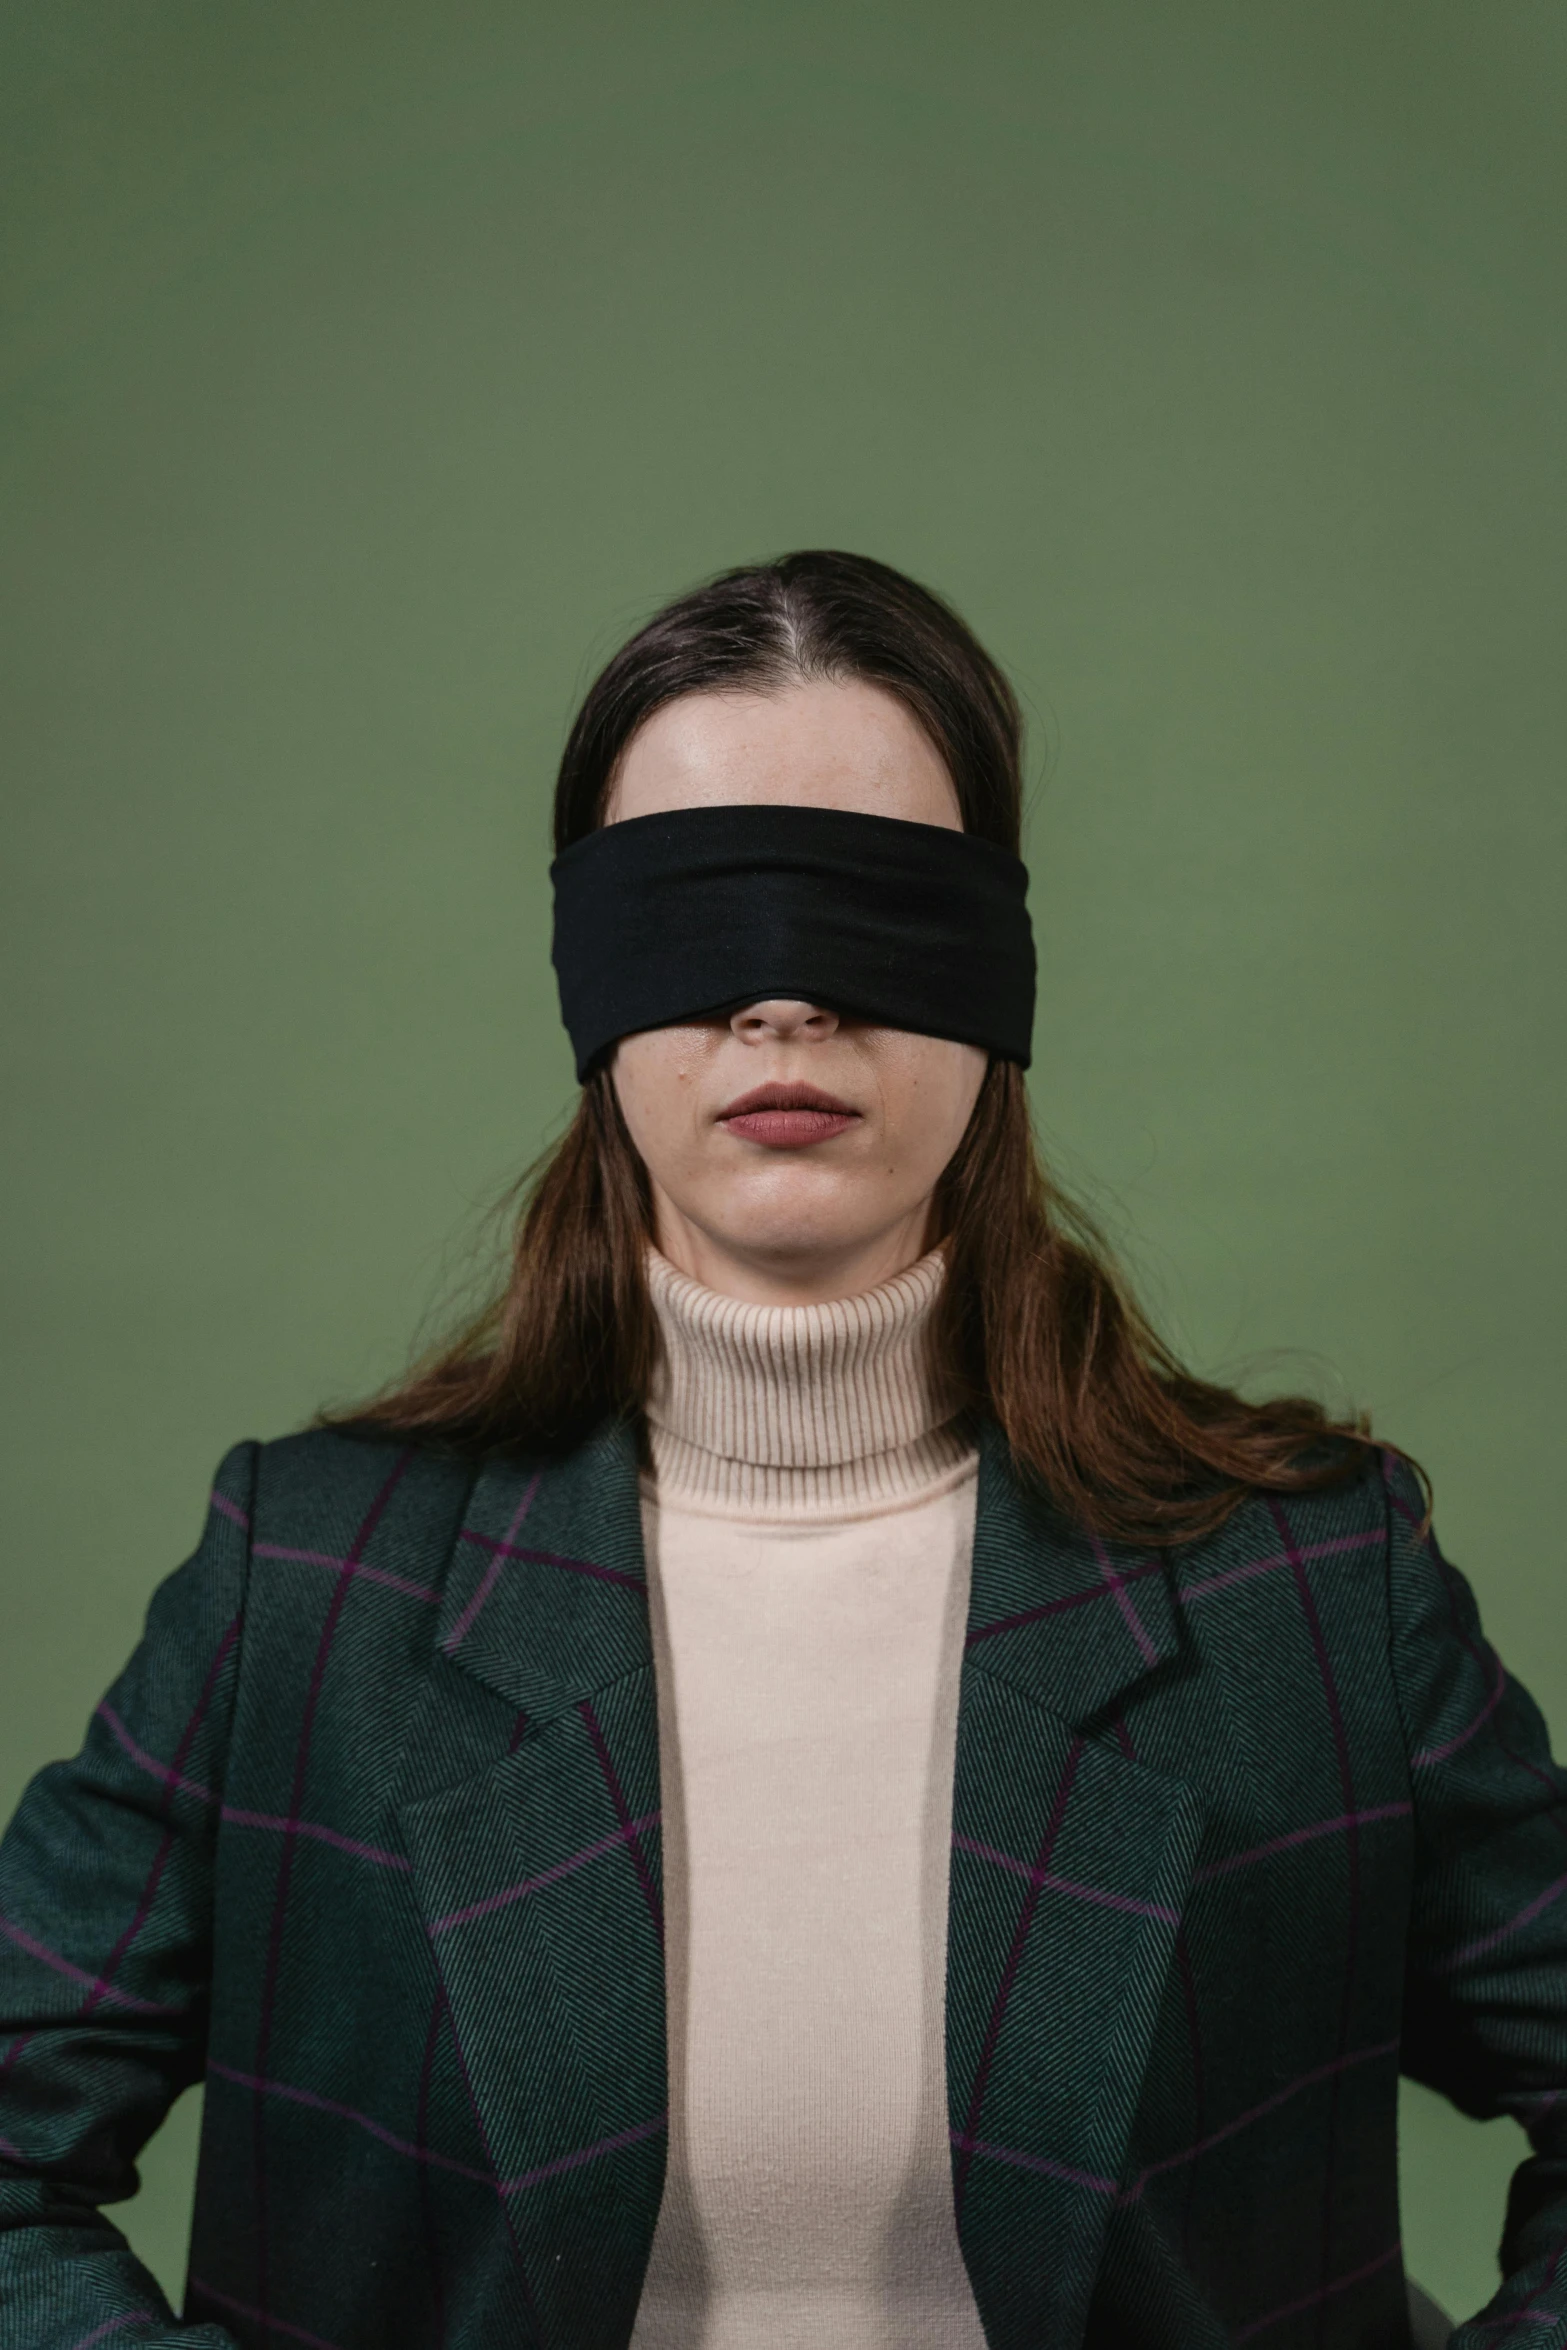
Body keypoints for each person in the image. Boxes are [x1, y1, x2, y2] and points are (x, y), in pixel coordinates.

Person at [0, 551, 1559, 2350]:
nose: (784, 1003)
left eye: (872, 908)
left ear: (1001, 975)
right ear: (592, 980)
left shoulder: (1308, 1588)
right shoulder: (306, 1585)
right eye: (696, 912)